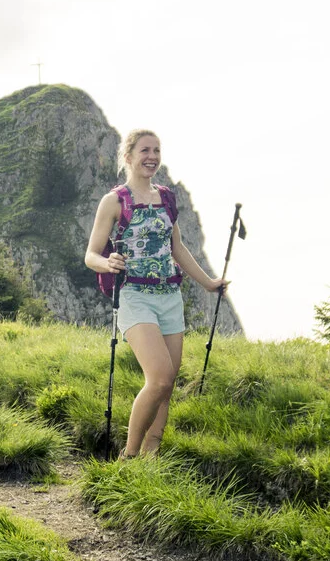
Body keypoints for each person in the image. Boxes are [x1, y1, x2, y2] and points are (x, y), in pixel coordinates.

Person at [84, 130, 227, 459]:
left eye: (157, 150)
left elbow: (177, 248)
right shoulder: (114, 201)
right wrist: (108, 262)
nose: (152, 156)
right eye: (145, 150)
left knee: (168, 383)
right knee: (160, 377)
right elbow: (90, 255)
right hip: (134, 295)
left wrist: (208, 283)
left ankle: (152, 456)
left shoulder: (166, 198)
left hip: (170, 296)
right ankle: (129, 457)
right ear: (129, 156)